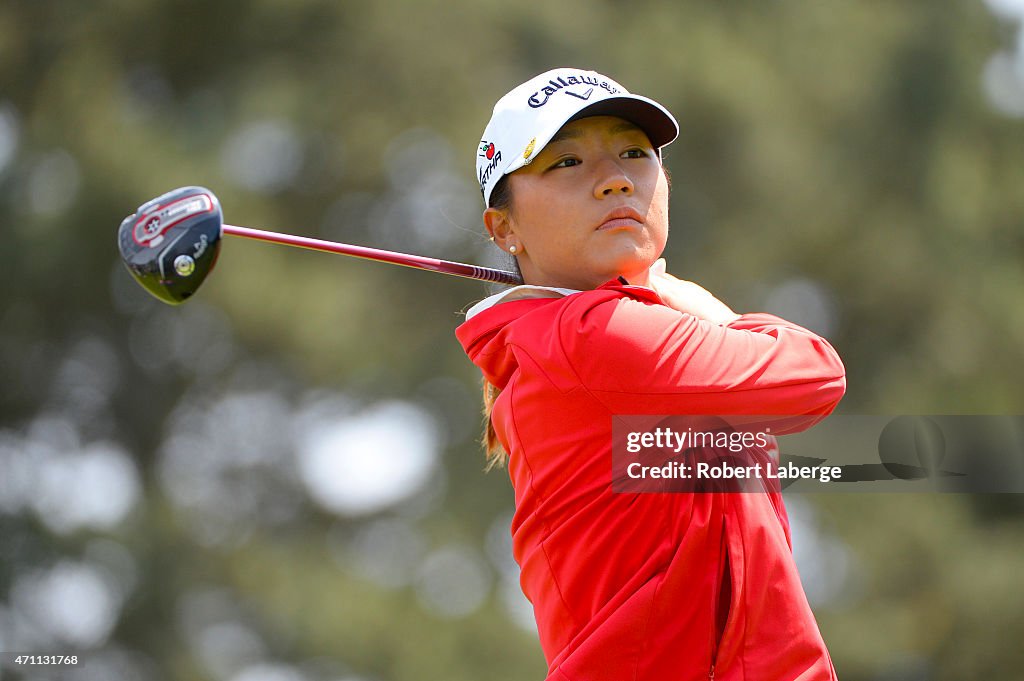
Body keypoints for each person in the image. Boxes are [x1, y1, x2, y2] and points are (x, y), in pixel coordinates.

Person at [455, 68, 846, 681]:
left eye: (634, 154)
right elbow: (815, 377)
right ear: (505, 228)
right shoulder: (584, 335)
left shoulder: (576, 339)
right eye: (566, 163)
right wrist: (702, 304)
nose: (614, 180)